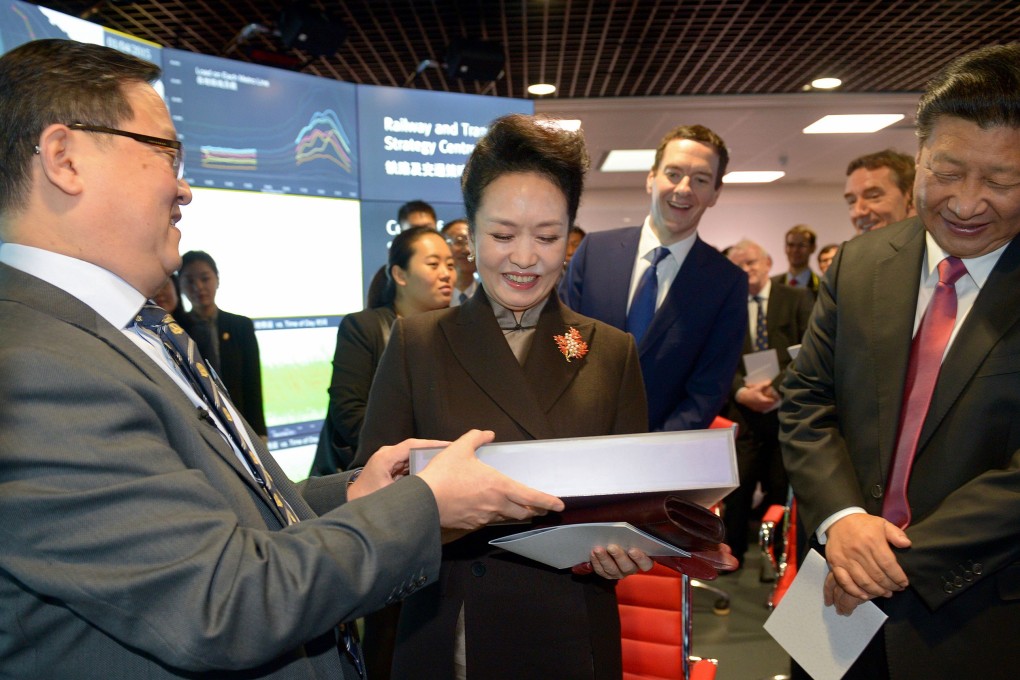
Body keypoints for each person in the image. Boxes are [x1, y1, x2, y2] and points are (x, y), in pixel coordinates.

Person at [0, 38, 564, 680]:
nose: (183, 188)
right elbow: (221, 602)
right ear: (64, 159)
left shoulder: (123, 332)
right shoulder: (30, 369)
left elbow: (215, 519)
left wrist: (353, 494)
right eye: (166, 153)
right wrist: (426, 508)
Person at [356, 114, 652, 680]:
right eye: (501, 235)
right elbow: (369, 487)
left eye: (546, 236)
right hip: (454, 623)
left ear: (570, 237)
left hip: (570, 624)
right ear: (468, 233)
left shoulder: (609, 351)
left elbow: (631, 499)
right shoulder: (419, 342)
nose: (524, 257)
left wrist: (627, 549)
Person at [779, 43, 1020, 680]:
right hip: (831, 590)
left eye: (1000, 182)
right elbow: (807, 400)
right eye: (946, 171)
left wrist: (885, 563)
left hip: (974, 616)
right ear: (918, 159)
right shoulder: (861, 263)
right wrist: (844, 521)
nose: (967, 203)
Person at [560, 124, 748, 431]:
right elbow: (563, 340)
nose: (684, 188)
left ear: (715, 193)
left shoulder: (726, 283)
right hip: (577, 436)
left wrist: (652, 451)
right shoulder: (594, 251)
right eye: (673, 174)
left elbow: (708, 390)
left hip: (664, 457)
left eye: (700, 179)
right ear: (651, 178)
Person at [311, 226, 456, 474]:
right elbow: (348, 412)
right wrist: (407, 460)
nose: (446, 274)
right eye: (433, 264)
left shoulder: (454, 331)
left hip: (440, 472)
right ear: (400, 275)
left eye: (451, 265)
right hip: (380, 475)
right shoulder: (364, 327)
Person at [721, 239, 812, 569]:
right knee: (737, 490)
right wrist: (741, 393)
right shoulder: (726, 304)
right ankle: (732, 557)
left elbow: (810, 351)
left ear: (768, 263)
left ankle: (775, 561)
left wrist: (776, 388)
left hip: (785, 413)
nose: (746, 270)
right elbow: (717, 359)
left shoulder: (797, 299)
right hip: (743, 413)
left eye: (752, 262)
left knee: (780, 489)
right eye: (738, 265)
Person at [179, 249, 268, 438]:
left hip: (240, 424)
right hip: (201, 428)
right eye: (189, 281)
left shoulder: (240, 326)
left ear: (217, 279)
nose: (198, 287)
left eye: (205, 278)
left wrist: (260, 433)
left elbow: (252, 384)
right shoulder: (176, 328)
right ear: (180, 285)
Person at [844, 148, 916, 236]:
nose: (858, 211)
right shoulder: (850, 249)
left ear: (911, 196)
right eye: (851, 201)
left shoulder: (933, 246)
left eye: (873, 196)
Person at [772, 224, 820, 297]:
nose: (795, 250)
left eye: (802, 245)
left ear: (813, 248)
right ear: (785, 248)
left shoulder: (822, 286)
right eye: (791, 245)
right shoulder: (772, 284)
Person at [441, 217, 477, 305]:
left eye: (473, 243)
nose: (467, 250)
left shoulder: (493, 299)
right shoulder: (429, 301)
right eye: (459, 241)